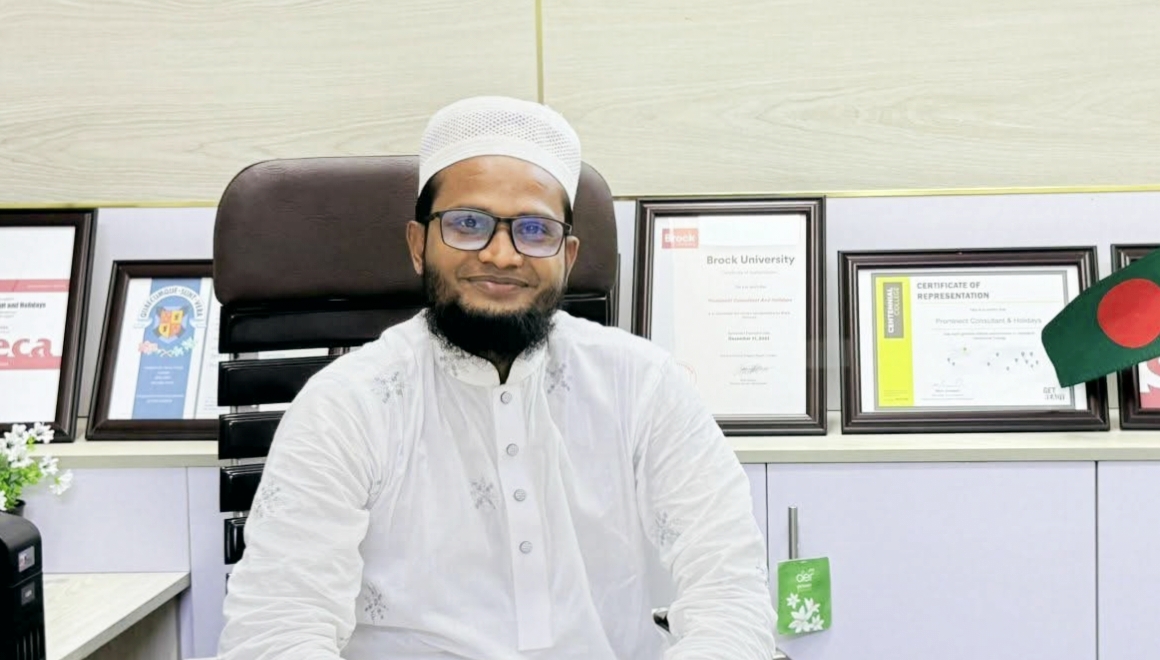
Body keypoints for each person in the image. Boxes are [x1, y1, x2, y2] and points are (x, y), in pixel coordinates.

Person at [217, 95, 777, 660]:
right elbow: (275, 630)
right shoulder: (346, 406)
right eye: (468, 224)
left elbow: (730, 590)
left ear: (568, 256)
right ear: (418, 245)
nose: (503, 255)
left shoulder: (644, 386)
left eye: (535, 230)